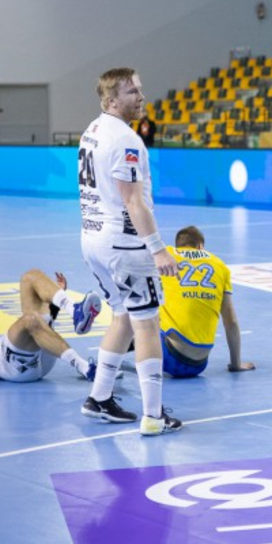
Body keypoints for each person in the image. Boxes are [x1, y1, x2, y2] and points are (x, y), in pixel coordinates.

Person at [78, 67, 182, 435]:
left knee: (122, 316)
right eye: (131, 92)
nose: (141, 97)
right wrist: (158, 250)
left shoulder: (92, 130)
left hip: (93, 240)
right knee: (147, 323)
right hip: (125, 246)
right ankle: (153, 416)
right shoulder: (126, 140)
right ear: (110, 100)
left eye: (139, 89)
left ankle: (98, 398)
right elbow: (133, 202)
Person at [159, 225, 253, 377]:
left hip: (168, 356)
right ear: (200, 246)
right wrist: (236, 364)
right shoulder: (220, 266)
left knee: (141, 306)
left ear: (178, 245)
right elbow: (231, 321)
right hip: (198, 364)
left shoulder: (166, 254)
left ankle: (117, 354)